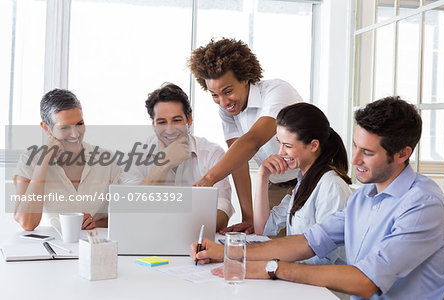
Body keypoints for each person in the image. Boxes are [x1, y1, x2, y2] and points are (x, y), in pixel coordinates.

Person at [191, 97, 444, 299]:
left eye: (368, 152)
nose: (356, 159)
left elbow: (366, 281)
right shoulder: (365, 197)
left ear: (403, 154)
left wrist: (274, 268)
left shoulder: (423, 204)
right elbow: (307, 242)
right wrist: (228, 251)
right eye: (356, 145)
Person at [189, 38, 303, 233]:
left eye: (228, 91)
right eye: (214, 95)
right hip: (275, 184)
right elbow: (238, 160)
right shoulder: (228, 110)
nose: (223, 102)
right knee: (264, 244)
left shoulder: (277, 92)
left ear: (245, 78)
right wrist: (248, 217)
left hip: (310, 178)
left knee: (302, 251)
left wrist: (209, 178)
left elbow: (252, 141)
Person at [119, 83, 233, 231]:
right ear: (153, 124)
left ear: (189, 120)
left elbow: (222, 212)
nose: (170, 130)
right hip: (147, 239)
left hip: (195, 241)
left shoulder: (212, 154)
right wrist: (164, 164)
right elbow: (129, 211)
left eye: (177, 120)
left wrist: (181, 229)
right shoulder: (136, 156)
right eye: (162, 122)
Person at [254, 103, 352, 265]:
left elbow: (324, 259)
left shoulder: (331, 186)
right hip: (300, 278)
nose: (280, 153)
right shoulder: (303, 183)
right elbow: (263, 229)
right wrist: (262, 176)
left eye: (288, 146)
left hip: (323, 287)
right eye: (279, 143)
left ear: (313, 145)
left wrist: (277, 266)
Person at [13, 89, 121, 231]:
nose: (75, 134)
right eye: (64, 127)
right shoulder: (30, 160)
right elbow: (27, 223)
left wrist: (95, 223)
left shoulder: (107, 160)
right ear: (47, 128)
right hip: (54, 247)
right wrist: (44, 162)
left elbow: (123, 217)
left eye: (79, 124)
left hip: (95, 245)